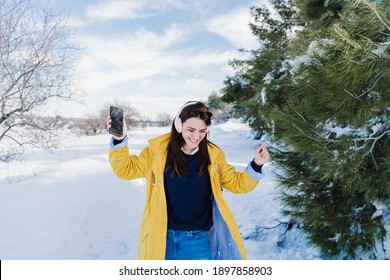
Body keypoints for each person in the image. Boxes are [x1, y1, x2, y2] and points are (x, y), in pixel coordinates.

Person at [107, 101, 270, 260]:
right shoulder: (157, 153)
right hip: (162, 240)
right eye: (191, 129)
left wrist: (256, 165)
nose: (196, 136)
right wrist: (120, 139)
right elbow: (125, 169)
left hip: (198, 242)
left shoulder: (214, 156)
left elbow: (237, 183)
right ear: (179, 125)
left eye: (202, 131)